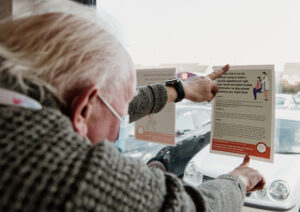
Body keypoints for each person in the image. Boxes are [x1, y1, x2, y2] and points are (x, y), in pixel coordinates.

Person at [0, 0, 265, 211]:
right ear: (82, 110)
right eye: (124, 112)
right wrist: (240, 179)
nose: (123, 122)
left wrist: (182, 89)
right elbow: (190, 208)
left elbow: (104, 103)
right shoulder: (64, 172)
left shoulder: (20, 102)